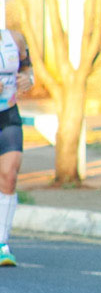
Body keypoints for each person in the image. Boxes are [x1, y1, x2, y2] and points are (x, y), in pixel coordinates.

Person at [0, 28, 34, 266]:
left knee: (9, 176)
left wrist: (28, 79)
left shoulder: (15, 39)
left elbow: (27, 69)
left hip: (8, 116)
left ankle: (2, 244)